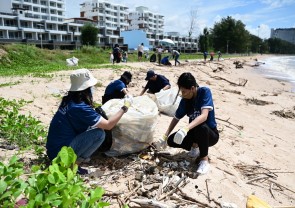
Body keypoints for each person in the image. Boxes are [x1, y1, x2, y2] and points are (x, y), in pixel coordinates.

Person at [46, 69, 133, 175]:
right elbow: (109, 125)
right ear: (85, 89)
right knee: (99, 134)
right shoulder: (79, 107)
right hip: (60, 155)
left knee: (93, 127)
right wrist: (125, 107)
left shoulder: (69, 101)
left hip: (53, 150)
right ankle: (73, 165)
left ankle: (72, 160)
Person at [157, 72, 219, 175]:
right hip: (194, 133)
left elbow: (204, 116)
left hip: (210, 134)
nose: (183, 94)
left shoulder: (204, 92)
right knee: (172, 141)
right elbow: (176, 118)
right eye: (181, 91)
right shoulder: (185, 101)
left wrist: (185, 128)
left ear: (192, 88)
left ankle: (204, 160)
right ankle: (195, 147)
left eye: (184, 91)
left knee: (201, 127)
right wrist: (165, 135)